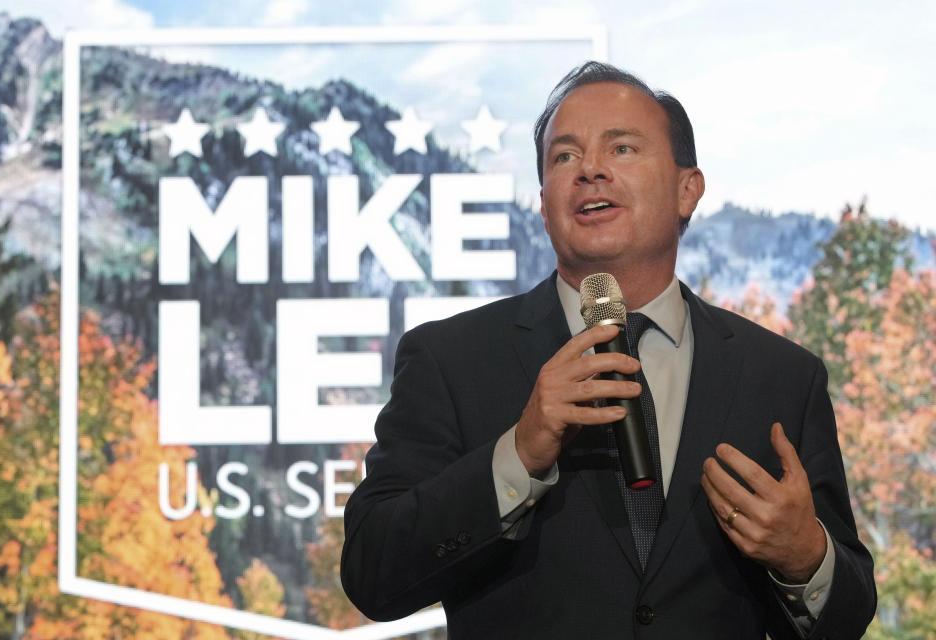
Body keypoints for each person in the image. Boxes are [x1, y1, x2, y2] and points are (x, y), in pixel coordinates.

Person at [341, 61, 876, 639]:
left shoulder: (781, 376)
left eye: (621, 148)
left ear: (687, 189)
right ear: (544, 205)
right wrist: (516, 457)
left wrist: (804, 557)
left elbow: (846, 617)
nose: (590, 169)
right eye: (564, 157)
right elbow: (374, 574)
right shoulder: (450, 359)